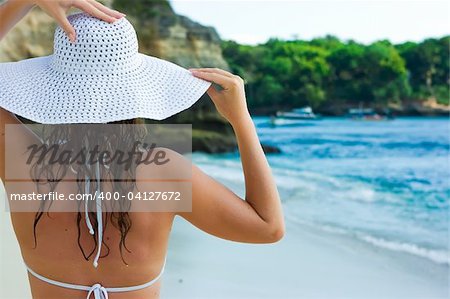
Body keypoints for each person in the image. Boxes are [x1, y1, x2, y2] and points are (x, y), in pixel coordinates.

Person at [0, 1, 284, 298]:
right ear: (135, 89)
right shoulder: (167, 173)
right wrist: (241, 120)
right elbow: (268, 227)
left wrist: (24, 0)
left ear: (55, 87)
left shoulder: (23, 163)